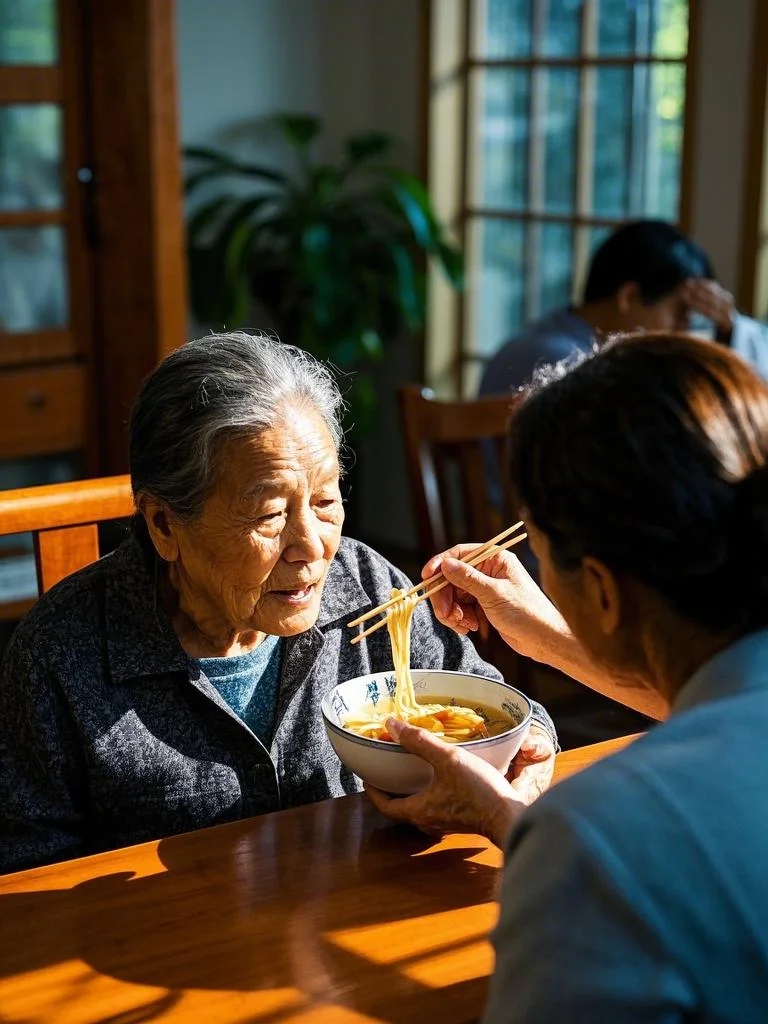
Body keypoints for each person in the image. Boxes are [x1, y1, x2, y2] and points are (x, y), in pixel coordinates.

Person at [0, 331, 556, 875]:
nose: (313, 546)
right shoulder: (61, 656)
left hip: (355, 924)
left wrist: (532, 751)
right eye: (269, 516)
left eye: (326, 500)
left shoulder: (367, 588)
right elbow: (25, 875)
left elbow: (499, 711)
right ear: (164, 525)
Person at [368, 332, 768, 1021]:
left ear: (605, 593)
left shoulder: (597, 841)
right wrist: (551, 638)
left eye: (542, 546)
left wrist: (525, 831)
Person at [480, 219, 768, 399]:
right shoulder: (564, 364)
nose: (682, 330)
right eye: (679, 313)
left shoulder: (552, 339)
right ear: (628, 297)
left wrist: (732, 330)